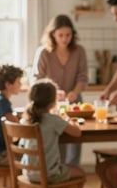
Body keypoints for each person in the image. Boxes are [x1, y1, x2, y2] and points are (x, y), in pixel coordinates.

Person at [21, 78, 86, 188]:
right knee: (80, 176)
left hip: (29, 173)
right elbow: (77, 133)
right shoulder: (53, 120)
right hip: (49, 174)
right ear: (53, 101)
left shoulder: (26, 119)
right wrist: (69, 121)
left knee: (63, 173)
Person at [33, 14, 88, 166]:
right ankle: (57, 171)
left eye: (68, 35)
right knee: (56, 139)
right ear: (52, 34)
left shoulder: (79, 51)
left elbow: (83, 77)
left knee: (76, 139)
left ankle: (72, 173)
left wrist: (74, 92)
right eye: (61, 35)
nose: (65, 39)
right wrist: (54, 92)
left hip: (75, 104)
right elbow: (36, 79)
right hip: (51, 104)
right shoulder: (44, 53)